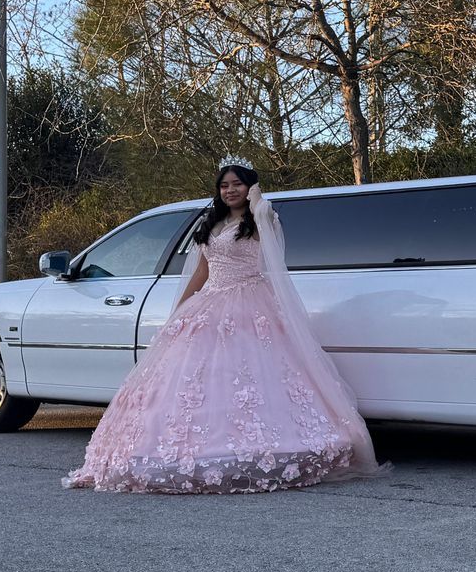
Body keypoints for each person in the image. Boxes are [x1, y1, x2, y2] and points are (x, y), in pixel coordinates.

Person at [63, 157, 381, 493]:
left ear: (249, 186)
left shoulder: (261, 219)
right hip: (210, 302)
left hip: (250, 304)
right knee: (194, 381)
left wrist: (258, 198)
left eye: (237, 184)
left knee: (253, 377)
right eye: (224, 185)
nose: (230, 190)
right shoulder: (211, 221)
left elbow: (269, 235)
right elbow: (202, 272)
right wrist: (181, 309)